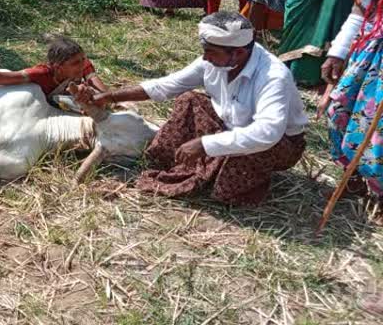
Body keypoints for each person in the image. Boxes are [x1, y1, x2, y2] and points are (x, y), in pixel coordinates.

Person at [74, 12, 308, 205]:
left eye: (211, 52)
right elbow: (167, 85)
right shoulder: (218, 59)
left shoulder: (273, 76)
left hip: (278, 145)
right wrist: (109, 96)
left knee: (226, 192)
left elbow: (267, 133)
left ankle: (235, 174)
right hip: (229, 126)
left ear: (238, 52)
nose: (205, 58)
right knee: (189, 100)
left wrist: (204, 144)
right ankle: (170, 162)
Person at [321, 0, 383, 204]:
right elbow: (362, 6)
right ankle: (354, 177)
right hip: (370, 48)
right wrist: (337, 52)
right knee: (339, 108)